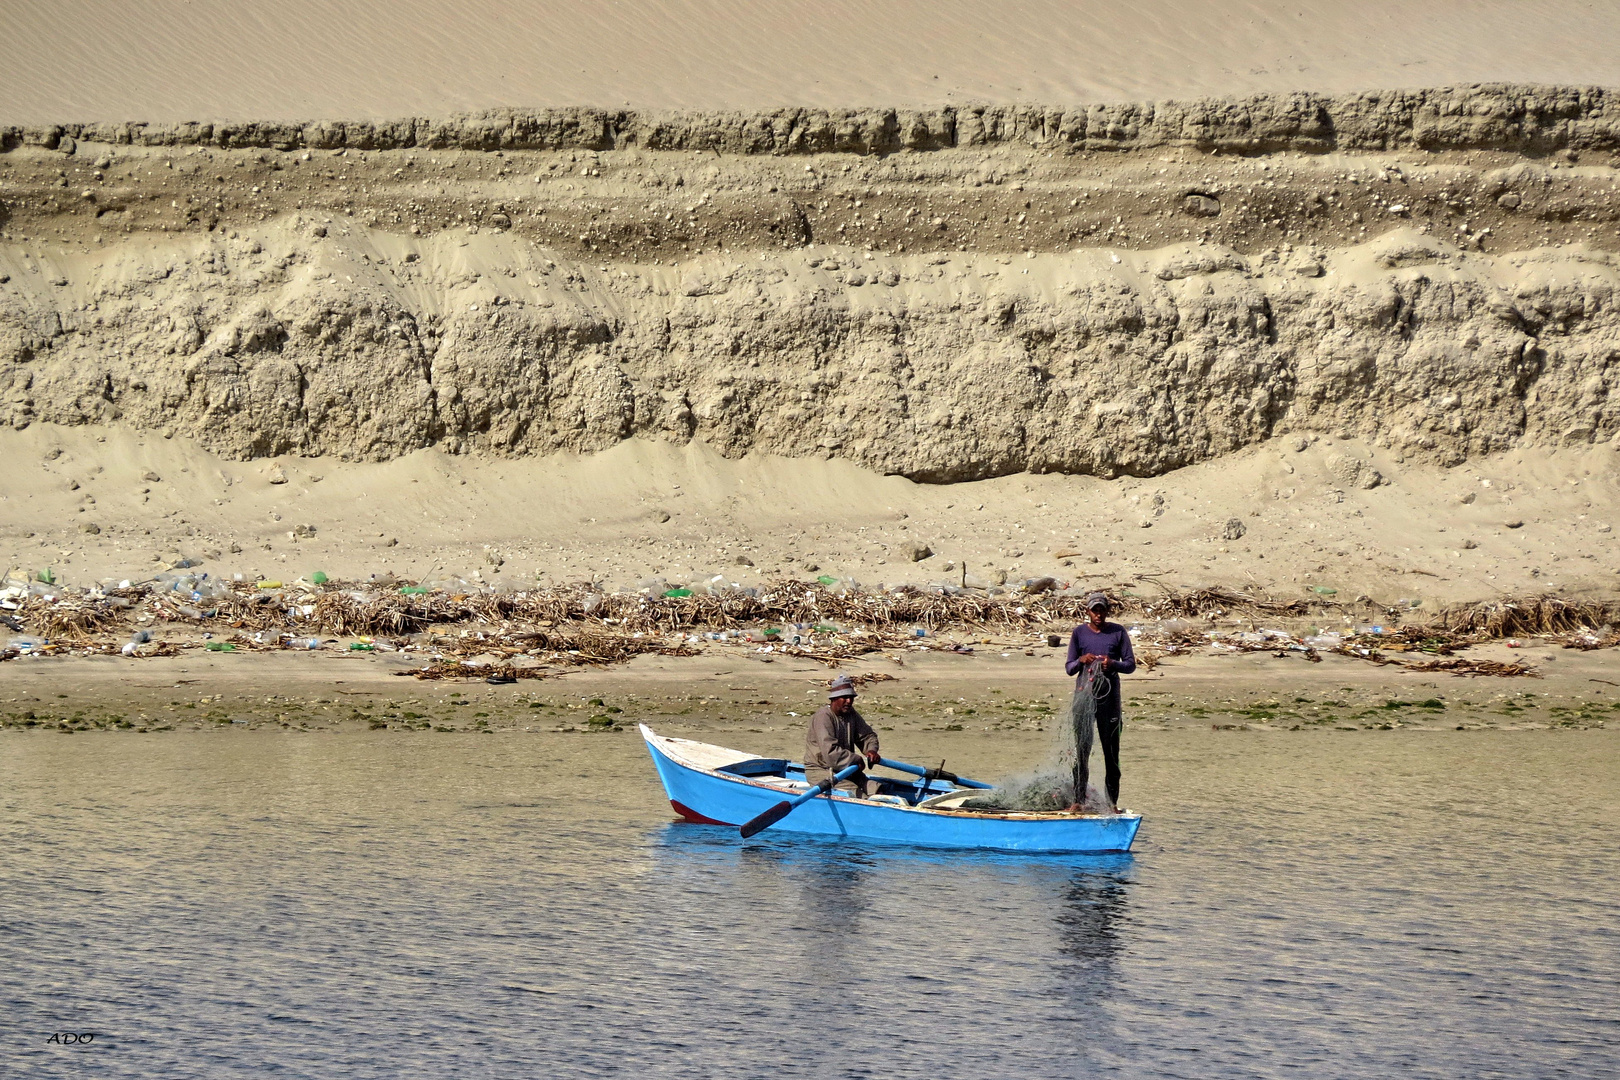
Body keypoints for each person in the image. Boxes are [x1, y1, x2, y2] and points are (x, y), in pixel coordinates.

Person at [1064, 592, 1135, 813]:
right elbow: (1069, 668)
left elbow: (1130, 665)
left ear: (1107, 611)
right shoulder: (1079, 633)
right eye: (1094, 610)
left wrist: (1112, 663)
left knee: (1111, 754)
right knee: (1082, 751)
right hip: (1084, 700)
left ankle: (1112, 804)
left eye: (1102, 610)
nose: (1098, 614)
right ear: (1088, 612)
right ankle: (1078, 800)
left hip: (1109, 702)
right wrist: (1081, 660)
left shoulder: (1118, 632)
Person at [804, 674, 881, 797]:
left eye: (851, 697)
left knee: (878, 790)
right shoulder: (823, 717)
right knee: (861, 796)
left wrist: (871, 750)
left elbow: (867, 736)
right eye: (844, 697)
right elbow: (831, 753)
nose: (849, 701)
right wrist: (856, 759)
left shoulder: (851, 714)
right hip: (821, 770)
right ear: (834, 699)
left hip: (847, 769)